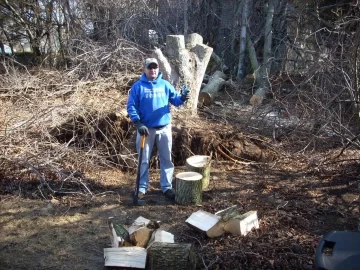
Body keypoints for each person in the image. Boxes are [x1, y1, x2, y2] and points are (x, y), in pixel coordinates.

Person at [127, 58, 190, 200]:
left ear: (158, 69)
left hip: (164, 128)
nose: (153, 70)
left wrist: (183, 97)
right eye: (150, 67)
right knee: (143, 159)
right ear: (145, 69)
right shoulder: (138, 87)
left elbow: (176, 100)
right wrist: (138, 123)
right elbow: (131, 106)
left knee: (166, 159)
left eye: (155, 67)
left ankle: (166, 187)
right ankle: (142, 187)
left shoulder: (165, 85)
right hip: (145, 129)